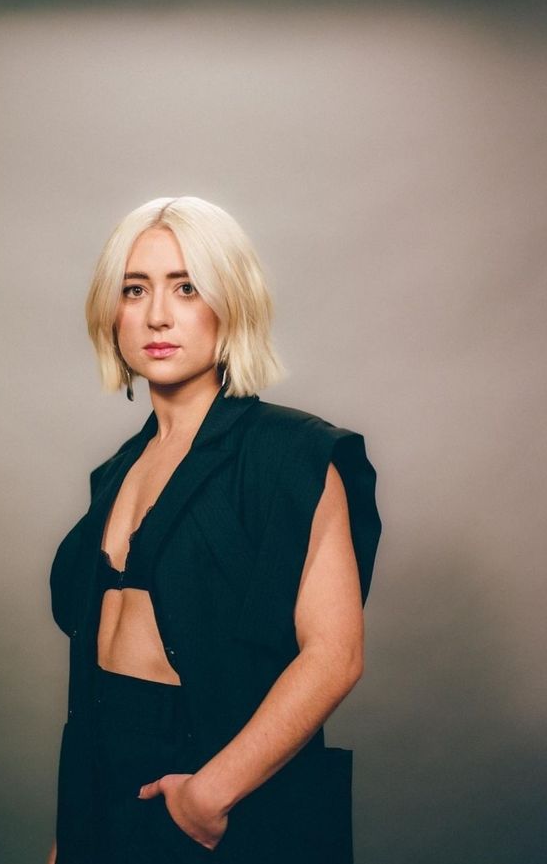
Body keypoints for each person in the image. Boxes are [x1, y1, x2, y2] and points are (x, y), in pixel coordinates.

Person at [46, 196, 382, 864]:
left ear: (229, 303)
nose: (158, 314)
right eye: (134, 289)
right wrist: (71, 833)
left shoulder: (291, 454)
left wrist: (210, 792)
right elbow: (90, 680)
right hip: (100, 787)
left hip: (217, 792)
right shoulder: (114, 471)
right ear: (110, 312)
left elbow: (334, 655)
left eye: (186, 287)